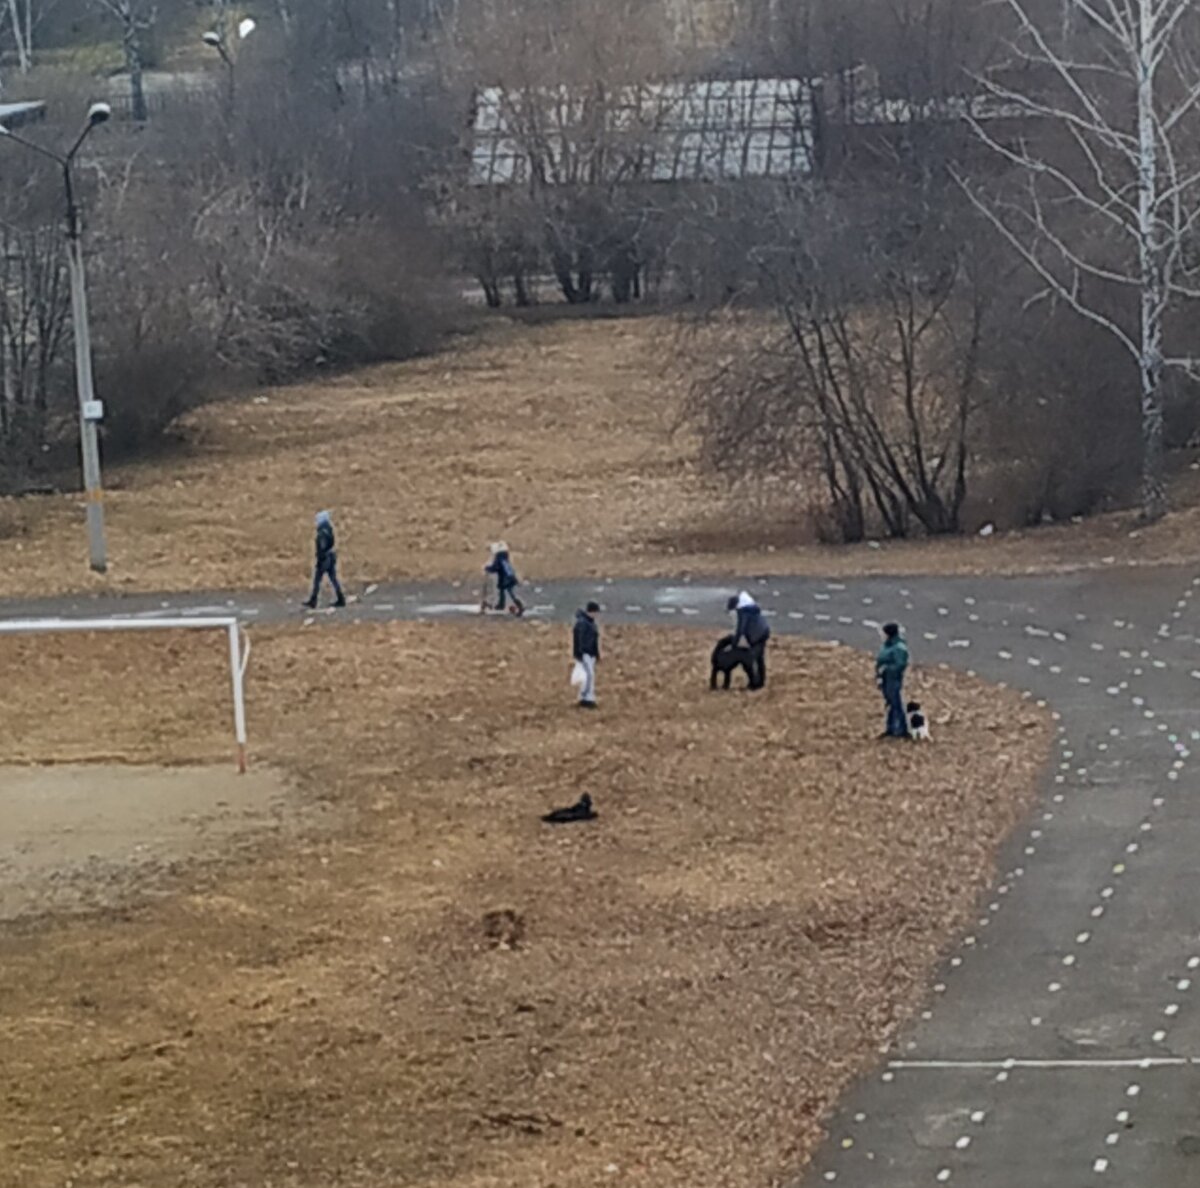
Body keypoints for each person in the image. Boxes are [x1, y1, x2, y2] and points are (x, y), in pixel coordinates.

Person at [727, 591, 771, 690]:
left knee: (751, 658)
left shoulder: (743, 611)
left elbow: (741, 629)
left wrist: (734, 643)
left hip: (757, 635)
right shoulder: (750, 607)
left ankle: (755, 684)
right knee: (759, 658)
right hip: (763, 631)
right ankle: (760, 682)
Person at [303, 510, 346, 610]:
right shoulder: (329, 528)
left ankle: (313, 600)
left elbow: (322, 546)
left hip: (325, 559)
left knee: (317, 580)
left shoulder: (322, 531)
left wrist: (320, 559)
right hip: (330, 556)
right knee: (333, 579)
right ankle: (340, 597)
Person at [876, 622, 910, 738]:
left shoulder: (898, 648)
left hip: (893, 679)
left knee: (896, 704)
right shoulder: (888, 645)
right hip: (885, 679)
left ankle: (901, 730)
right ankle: (891, 728)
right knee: (890, 704)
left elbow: (900, 664)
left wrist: (886, 669)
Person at [572, 600, 601, 709]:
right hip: (585, 654)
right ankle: (585, 697)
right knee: (589, 676)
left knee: (588, 676)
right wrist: (581, 653)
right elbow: (579, 639)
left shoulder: (589, 622)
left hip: (589, 654)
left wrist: (596, 654)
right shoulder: (584, 623)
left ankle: (587, 696)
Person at [484, 542, 525, 616]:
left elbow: (495, 567)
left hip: (506, 579)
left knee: (505, 592)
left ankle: (507, 605)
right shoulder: (505, 559)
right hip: (510, 577)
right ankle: (503, 604)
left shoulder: (499, 559)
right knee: (506, 592)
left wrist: (488, 568)